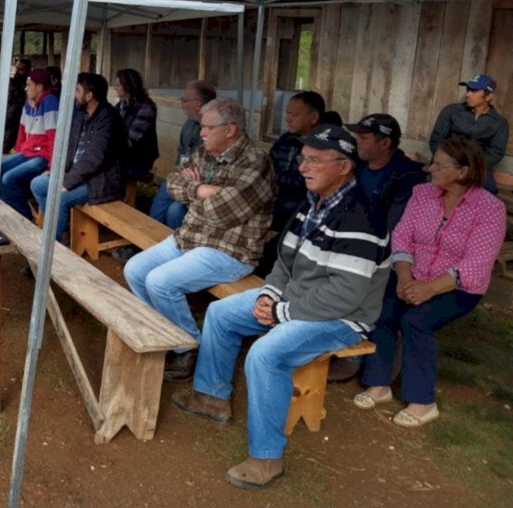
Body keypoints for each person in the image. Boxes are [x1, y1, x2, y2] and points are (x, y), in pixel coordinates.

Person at [172, 124, 390, 489]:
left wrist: (280, 313)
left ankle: (267, 458)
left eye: (315, 161)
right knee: (221, 313)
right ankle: (211, 397)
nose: (304, 167)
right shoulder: (314, 203)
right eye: (304, 159)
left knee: (265, 354)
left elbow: (345, 296)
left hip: (343, 319)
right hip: (298, 300)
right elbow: (285, 261)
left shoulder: (361, 217)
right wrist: (270, 295)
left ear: (344, 166)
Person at [354, 138, 506, 427]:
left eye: (438, 164)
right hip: (411, 275)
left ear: (462, 172)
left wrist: (428, 289)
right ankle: (378, 383)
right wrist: (404, 277)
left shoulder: (490, 209)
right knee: (384, 309)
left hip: (457, 286)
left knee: (416, 321)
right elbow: (402, 236)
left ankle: (423, 402)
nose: (429, 168)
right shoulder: (422, 194)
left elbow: (476, 263)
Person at [125, 98, 275, 380]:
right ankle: (162, 333)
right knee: (134, 269)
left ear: (230, 130)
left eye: (207, 127)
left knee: (160, 281)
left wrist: (194, 189)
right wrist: (202, 189)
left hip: (229, 250)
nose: (201, 132)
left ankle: (187, 346)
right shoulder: (207, 152)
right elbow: (172, 183)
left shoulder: (255, 162)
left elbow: (221, 213)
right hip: (190, 237)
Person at [327, 112, 427, 382]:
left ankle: (354, 355)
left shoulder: (408, 177)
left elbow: (395, 229)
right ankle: (326, 344)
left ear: (385, 144)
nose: (357, 141)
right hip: (348, 240)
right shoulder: (357, 165)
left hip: (387, 253)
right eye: (357, 135)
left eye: (364, 137)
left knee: (363, 288)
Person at [30, 72, 124, 243]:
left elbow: (94, 158)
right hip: (78, 174)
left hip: (100, 181)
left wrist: (67, 182)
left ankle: (52, 249)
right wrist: (56, 172)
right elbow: (70, 147)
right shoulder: (82, 114)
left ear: (89, 96)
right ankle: (60, 228)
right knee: (37, 184)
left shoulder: (108, 118)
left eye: (77, 90)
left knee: (60, 198)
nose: (74, 94)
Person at [258, 91, 327, 277]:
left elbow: (302, 184)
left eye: (294, 115)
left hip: (296, 214)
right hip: (272, 206)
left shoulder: (324, 147)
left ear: (313, 117)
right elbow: (266, 171)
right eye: (287, 113)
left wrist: (277, 180)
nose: (287, 119)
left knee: (271, 250)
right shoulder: (285, 140)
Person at [149, 80, 217, 229]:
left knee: (174, 210)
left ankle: (171, 244)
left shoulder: (216, 130)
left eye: (184, 100)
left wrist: (193, 181)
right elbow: (181, 152)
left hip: (202, 184)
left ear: (197, 104)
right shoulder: (190, 123)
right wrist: (178, 174)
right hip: (182, 176)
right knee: (160, 200)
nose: (182, 104)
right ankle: (148, 241)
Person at [429, 74, 508, 193]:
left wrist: (472, 167)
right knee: (432, 188)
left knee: (489, 192)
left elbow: (496, 152)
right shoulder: (451, 111)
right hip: (447, 161)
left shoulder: (499, 123)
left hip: (478, 166)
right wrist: (448, 162)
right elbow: (437, 139)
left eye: (474, 91)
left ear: (488, 96)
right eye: (468, 89)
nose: (468, 94)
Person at [0, 69, 59, 218]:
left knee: (8, 178)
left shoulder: (50, 101)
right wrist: (19, 151)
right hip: (27, 153)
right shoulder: (28, 102)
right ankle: (12, 210)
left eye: (29, 85)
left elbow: (55, 137)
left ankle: (24, 216)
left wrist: (52, 166)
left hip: (42, 156)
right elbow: (22, 131)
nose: (25, 88)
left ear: (39, 87)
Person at [113, 68, 159, 177]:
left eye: (118, 85)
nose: (115, 88)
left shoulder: (145, 108)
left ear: (128, 86)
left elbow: (131, 141)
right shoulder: (121, 105)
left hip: (138, 158)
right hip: (123, 155)